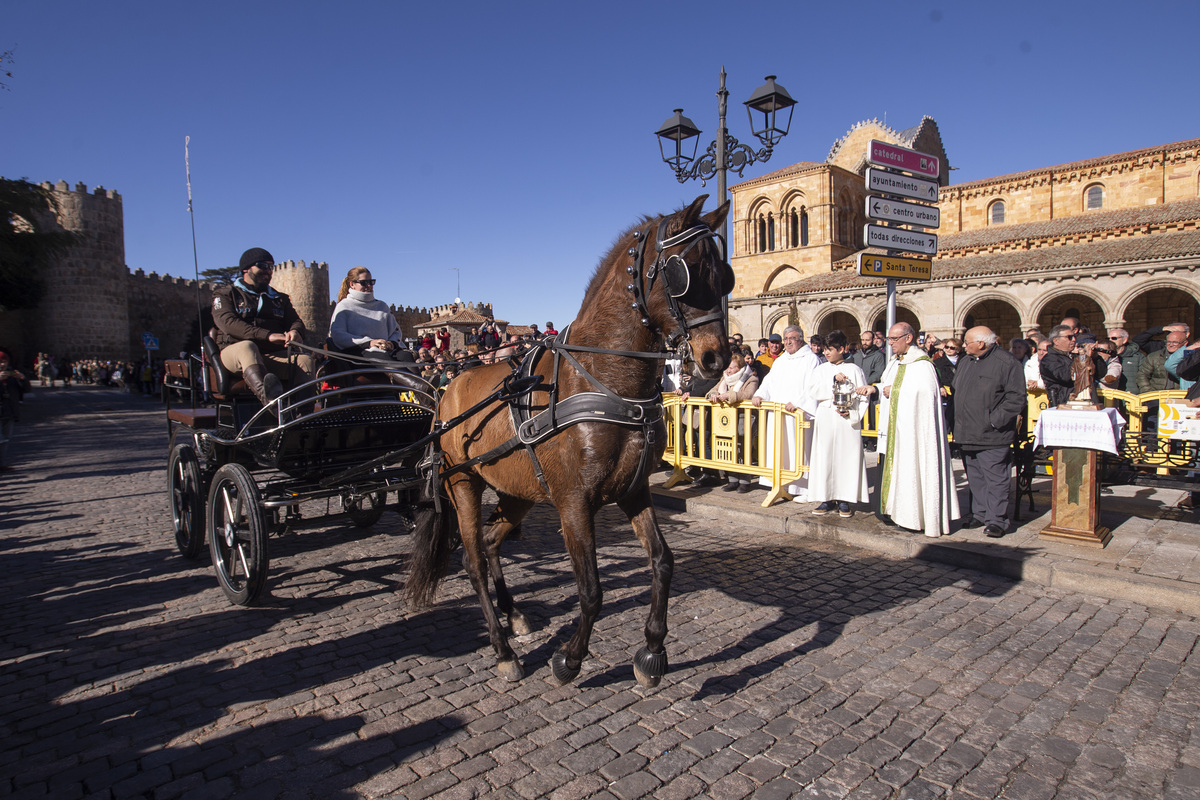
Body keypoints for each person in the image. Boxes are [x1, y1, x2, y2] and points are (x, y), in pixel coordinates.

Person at [871, 323, 960, 537]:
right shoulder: (899, 362)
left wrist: (895, 390)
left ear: (908, 338)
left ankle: (919, 517)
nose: (889, 343)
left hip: (917, 432)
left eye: (893, 339)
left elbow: (925, 394)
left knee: (916, 469)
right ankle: (904, 515)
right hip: (901, 429)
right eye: (889, 339)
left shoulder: (922, 364)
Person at [211, 247, 315, 406]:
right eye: (262, 266)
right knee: (247, 347)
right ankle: (274, 408)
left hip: (270, 355)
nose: (268, 271)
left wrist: (295, 331)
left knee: (305, 360)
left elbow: (296, 321)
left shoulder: (279, 299)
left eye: (271, 267)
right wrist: (268, 335)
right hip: (234, 353)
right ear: (246, 268)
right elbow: (228, 323)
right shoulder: (225, 294)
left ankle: (302, 415)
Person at [952, 327, 1026, 538]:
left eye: (967, 342)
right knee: (975, 476)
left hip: (992, 434)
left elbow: (1016, 398)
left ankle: (997, 520)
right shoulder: (966, 361)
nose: (963, 346)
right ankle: (980, 513)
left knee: (995, 478)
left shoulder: (1006, 363)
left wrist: (994, 421)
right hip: (967, 432)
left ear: (981, 344)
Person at [750, 325, 819, 501]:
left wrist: (798, 403)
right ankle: (779, 482)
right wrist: (759, 394)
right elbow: (769, 382)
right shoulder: (781, 361)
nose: (788, 342)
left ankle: (802, 488)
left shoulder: (810, 360)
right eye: (786, 338)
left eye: (792, 338)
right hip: (777, 413)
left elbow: (814, 387)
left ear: (801, 339)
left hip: (797, 414)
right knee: (778, 448)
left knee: (798, 449)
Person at [806, 331, 869, 517]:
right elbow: (813, 390)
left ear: (842, 349)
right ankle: (826, 498)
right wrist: (832, 380)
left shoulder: (855, 370)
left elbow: (862, 396)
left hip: (846, 421)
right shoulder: (820, 370)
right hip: (826, 416)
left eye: (831, 349)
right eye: (825, 349)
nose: (826, 353)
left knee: (845, 458)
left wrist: (853, 412)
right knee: (824, 457)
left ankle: (844, 499)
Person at [705, 352, 760, 492]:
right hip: (727, 420)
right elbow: (712, 390)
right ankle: (733, 479)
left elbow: (747, 395)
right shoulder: (724, 380)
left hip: (745, 418)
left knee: (743, 449)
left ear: (740, 367)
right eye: (728, 368)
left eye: (732, 368)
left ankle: (745, 480)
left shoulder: (751, 379)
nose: (729, 371)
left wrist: (729, 395)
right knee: (731, 449)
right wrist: (713, 395)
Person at [329, 267, 403, 361]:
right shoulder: (344, 306)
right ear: (352, 284)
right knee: (382, 359)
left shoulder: (382, 306)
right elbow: (338, 334)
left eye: (371, 282)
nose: (369, 285)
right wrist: (369, 343)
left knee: (406, 357)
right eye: (364, 282)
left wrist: (391, 343)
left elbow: (395, 331)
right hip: (358, 352)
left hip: (386, 350)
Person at [0, 349, 28, 473]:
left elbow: (25, 390)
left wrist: (23, 379)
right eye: (0, 362)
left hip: (9, 412)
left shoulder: (12, 376)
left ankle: (1, 463)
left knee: (5, 439)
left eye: (4, 361)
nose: (2, 364)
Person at [1040, 325, 1078, 407]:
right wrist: (1080, 361)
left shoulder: (1074, 356)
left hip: (1080, 402)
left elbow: (1100, 373)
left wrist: (1095, 357)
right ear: (1056, 340)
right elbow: (1065, 376)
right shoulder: (1049, 359)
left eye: (1074, 336)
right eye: (1069, 337)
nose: (1073, 340)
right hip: (1062, 404)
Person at [1107, 328, 1144, 392]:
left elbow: (1144, 376)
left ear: (1124, 340)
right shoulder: (1105, 356)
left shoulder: (1137, 357)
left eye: (1114, 338)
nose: (1110, 340)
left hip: (1130, 395)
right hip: (1110, 395)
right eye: (1108, 339)